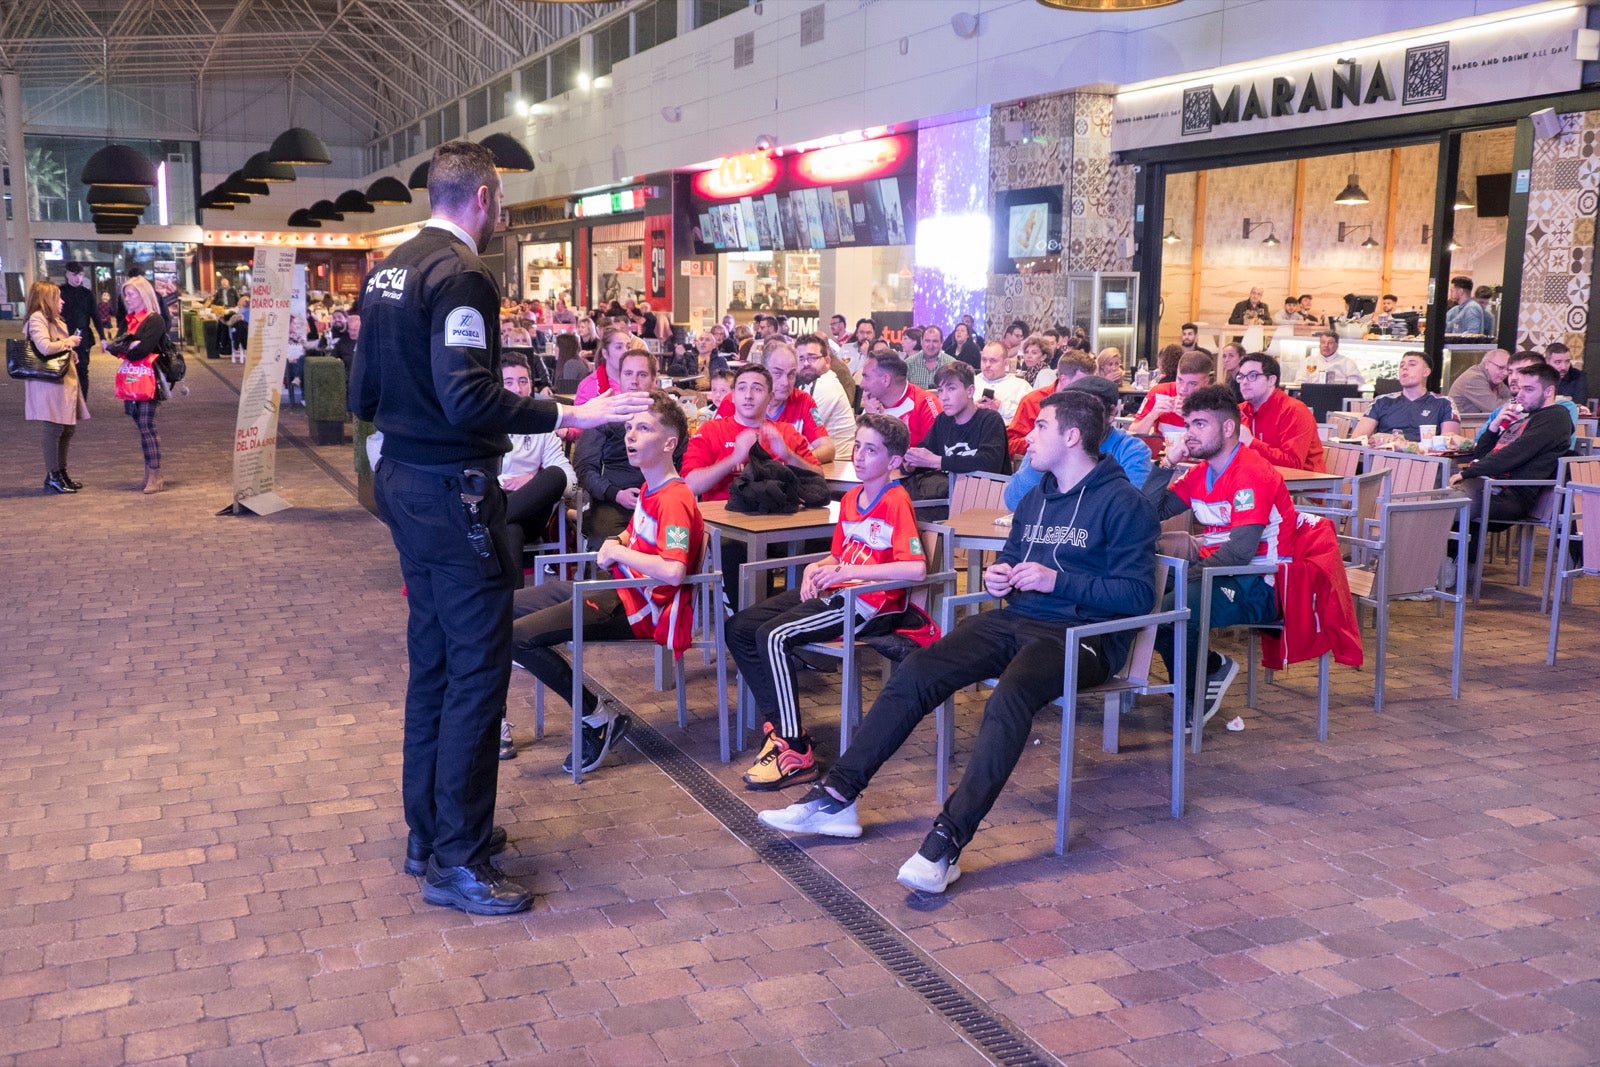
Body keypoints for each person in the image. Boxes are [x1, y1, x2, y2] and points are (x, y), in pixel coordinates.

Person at [350, 140, 646, 917]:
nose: (503, 210)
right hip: (454, 493)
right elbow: (469, 397)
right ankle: (459, 858)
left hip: (406, 487)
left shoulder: (388, 266)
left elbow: (364, 391)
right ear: (483, 197)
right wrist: (563, 412)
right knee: (478, 676)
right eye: (503, 197)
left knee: (436, 666)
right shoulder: (464, 274)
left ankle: (432, 834)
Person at [758, 391, 1158, 892]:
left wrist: (1058, 582)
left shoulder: (1124, 504)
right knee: (919, 670)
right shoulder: (1036, 496)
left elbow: (1139, 595)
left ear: (1072, 437)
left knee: (1010, 697)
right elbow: (1012, 560)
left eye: (1041, 428)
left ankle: (947, 840)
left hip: (1084, 637)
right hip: (1018, 618)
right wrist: (1001, 579)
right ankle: (837, 797)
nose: (1028, 436)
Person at [727, 414, 927, 790]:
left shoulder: (896, 501)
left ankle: (796, 752)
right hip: (838, 590)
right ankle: (781, 726)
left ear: (895, 461)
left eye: (872, 450)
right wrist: (815, 567)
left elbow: (915, 569)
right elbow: (838, 556)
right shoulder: (851, 498)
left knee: (774, 636)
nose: (860, 455)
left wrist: (844, 571)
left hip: (867, 604)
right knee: (739, 627)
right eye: (858, 446)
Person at [510, 392, 703, 774]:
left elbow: (674, 570)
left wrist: (618, 552)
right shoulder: (651, 490)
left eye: (643, 428)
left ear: (670, 443)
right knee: (503, 608)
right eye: (629, 428)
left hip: (641, 609)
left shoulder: (676, 498)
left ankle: (597, 718)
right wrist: (620, 542)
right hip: (616, 591)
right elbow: (634, 539)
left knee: (515, 637)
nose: (631, 436)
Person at [1144, 386, 1297, 729]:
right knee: (1139, 591)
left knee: (1171, 608)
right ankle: (1210, 668)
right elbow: (1145, 514)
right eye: (1187, 424)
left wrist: (1188, 575)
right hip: (1225, 573)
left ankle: (1194, 692)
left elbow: (1241, 552)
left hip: (1263, 583)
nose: (1189, 434)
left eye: (1199, 424)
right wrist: (1167, 462)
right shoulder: (1200, 473)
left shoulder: (1250, 473)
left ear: (1228, 429)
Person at [1450, 361, 1573, 572]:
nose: (1521, 395)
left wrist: (1468, 472)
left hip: (1509, 496)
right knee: (1429, 503)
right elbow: (1482, 455)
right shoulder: (1521, 418)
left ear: (1549, 391)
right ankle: (1438, 570)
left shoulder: (1556, 417)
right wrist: (1495, 425)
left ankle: (1436, 572)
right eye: (1520, 389)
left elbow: (1515, 454)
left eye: (1529, 389)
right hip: (1487, 488)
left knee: (1436, 508)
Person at [1004, 374, 1150, 510]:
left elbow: (1127, 508)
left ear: (1111, 413)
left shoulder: (1131, 450)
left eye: (1088, 411)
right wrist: (1038, 465)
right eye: (1071, 410)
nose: (1078, 418)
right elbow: (1014, 502)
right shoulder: (1049, 442)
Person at [681, 364, 822, 502]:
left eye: (757, 389)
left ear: (770, 397)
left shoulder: (786, 433)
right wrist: (734, 459)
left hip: (778, 520)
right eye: (742, 388)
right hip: (723, 520)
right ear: (733, 396)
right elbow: (689, 485)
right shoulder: (710, 430)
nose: (748, 395)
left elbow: (818, 479)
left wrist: (788, 456)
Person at [575, 349, 671, 542]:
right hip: (614, 501)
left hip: (662, 500)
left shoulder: (668, 417)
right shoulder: (603, 416)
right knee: (609, 544)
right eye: (628, 374)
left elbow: (681, 465)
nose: (634, 381)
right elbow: (584, 468)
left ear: (654, 379)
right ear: (619, 377)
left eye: (642, 374)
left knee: (675, 544)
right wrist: (615, 494)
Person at [900, 361, 1009, 504]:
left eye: (951, 389)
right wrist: (911, 464)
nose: (944, 397)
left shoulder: (990, 420)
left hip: (986, 501)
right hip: (949, 499)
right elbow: (924, 455)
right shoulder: (943, 421)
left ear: (970, 391)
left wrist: (937, 461)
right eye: (940, 390)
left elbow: (988, 464)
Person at [713, 342, 833, 464]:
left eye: (791, 374)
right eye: (777, 373)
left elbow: (828, 449)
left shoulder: (805, 401)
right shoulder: (734, 400)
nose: (785, 382)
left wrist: (789, 460)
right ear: (763, 372)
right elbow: (712, 449)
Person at [21, 280, 90, 494]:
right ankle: (53, 475)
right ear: (47, 299)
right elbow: (44, 346)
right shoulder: (37, 318)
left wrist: (71, 351)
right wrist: (69, 342)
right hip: (49, 382)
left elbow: (55, 345)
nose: (62, 301)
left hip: (60, 381)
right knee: (54, 428)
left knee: (67, 428)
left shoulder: (53, 319)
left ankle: (61, 472)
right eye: (58, 297)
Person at [106, 276, 169, 494]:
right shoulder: (128, 319)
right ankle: (149, 471)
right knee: (141, 426)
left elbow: (142, 350)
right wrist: (127, 346)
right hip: (131, 378)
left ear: (144, 295)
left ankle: (155, 474)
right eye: (125, 294)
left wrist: (127, 347)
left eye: (131, 294)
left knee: (146, 425)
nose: (127, 298)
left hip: (150, 379)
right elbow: (116, 346)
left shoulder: (154, 320)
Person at [1236, 352, 1325, 471]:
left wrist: (1251, 442)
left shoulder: (1294, 411)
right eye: (1241, 377)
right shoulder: (1239, 411)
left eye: (1252, 376)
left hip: (1301, 485)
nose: (1244, 382)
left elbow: (1293, 464)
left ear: (1271, 380)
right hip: (1257, 480)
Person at [1352, 351, 1460, 442]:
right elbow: (1358, 438)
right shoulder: (1381, 401)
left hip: (1426, 461)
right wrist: (1378, 439)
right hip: (1385, 459)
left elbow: (1450, 442)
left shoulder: (1444, 403)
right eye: (1401, 365)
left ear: (1426, 372)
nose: (1404, 368)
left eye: (1412, 365)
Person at [1006, 349, 1096, 455]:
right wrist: (1044, 439)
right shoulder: (1032, 401)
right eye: (1082, 384)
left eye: (1090, 383)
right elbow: (1011, 446)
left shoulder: (1091, 402)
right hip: (1037, 465)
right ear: (1063, 379)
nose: (1087, 389)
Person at [857, 351, 941, 448]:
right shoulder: (872, 404)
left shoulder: (925, 405)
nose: (861, 384)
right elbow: (858, 455)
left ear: (886, 380)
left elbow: (933, 455)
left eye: (866, 377)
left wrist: (875, 422)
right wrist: (871, 418)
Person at [795, 334, 856, 460]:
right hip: (825, 462)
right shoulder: (808, 384)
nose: (806, 363)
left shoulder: (825, 385)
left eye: (812, 358)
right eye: (801, 359)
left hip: (838, 466)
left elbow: (798, 431)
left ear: (827, 361)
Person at [1129, 351, 1213, 435]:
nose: (1183, 389)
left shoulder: (1215, 402)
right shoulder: (1159, 392)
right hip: (1161, 447)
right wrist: (1152, 415)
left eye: (1192, 384)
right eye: (1180, 380)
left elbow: (1217, 443)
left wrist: (1190, 418)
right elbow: (1133, 434)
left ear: (1205, 382)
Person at [572, 326, 633, 408]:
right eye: (619, 347)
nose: (626, 352)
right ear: (605, 353)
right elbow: (579, 418)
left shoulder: (638, 381)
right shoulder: (589, 386)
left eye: (628, 347)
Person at [60, 262, 96, 398]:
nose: (78, 278)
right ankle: (67, 400)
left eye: (80, 275)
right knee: (64, 369)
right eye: (75, 274)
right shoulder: (60, 292)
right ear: (67, 274)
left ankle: (82, 401)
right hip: (63, 336)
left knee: (82, 369)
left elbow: (96, 316)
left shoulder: (87, 294)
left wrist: (103, 337)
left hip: (83, 337)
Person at [974, 341, 1030, 423]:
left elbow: (1029, 416)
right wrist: (971, 408)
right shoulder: (969, 382)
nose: (987, 365)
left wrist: (1001, 408)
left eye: (993, 361)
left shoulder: (1021, 386)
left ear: (1006, 363)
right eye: (984, 360)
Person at [1448, 349, 1512, 414]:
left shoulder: (1494, 378)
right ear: (1487, 364)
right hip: (1464, 423)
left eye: (1507, 369)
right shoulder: (1474, 379)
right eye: (1500, 368)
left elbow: (1511, 399)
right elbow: (1494, 407)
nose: (1505, 373)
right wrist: (1515, 405)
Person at [905, 325, 953, 389]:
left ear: (942, 343)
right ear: (921, 341)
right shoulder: (908, 364)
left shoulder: (952, 364)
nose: (931, 345)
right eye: (927, 341)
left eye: (935, 341)